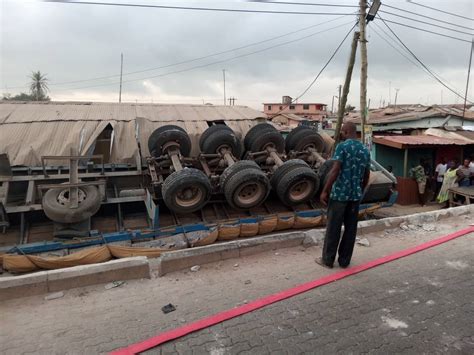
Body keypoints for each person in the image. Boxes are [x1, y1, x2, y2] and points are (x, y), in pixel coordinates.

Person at [316, 122, 370, 269]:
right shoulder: (365, 150)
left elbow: (335, 170)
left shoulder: (342, 147)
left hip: (339, 195)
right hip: (354, 197)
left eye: (342, 132)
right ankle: (344, 261)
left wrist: (325, 190)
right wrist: (360, 191)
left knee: (334, 227)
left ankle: (327, 260)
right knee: (350, 229)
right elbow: (366, 175)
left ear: (345, 132)